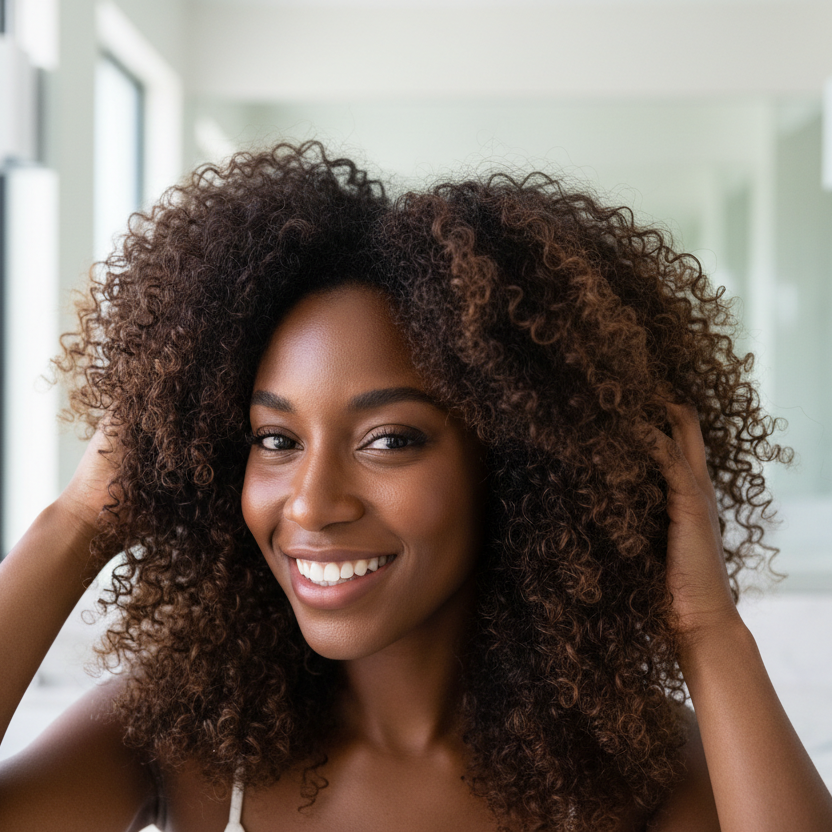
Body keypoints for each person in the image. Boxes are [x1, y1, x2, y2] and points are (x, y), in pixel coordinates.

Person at [0, 141, 830, 832]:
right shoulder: (187, 736)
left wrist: (707, 628)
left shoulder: (634, 770)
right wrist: (74, 525)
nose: (314, 504)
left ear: (517, 462)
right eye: (276, 440)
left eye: (389, 440)